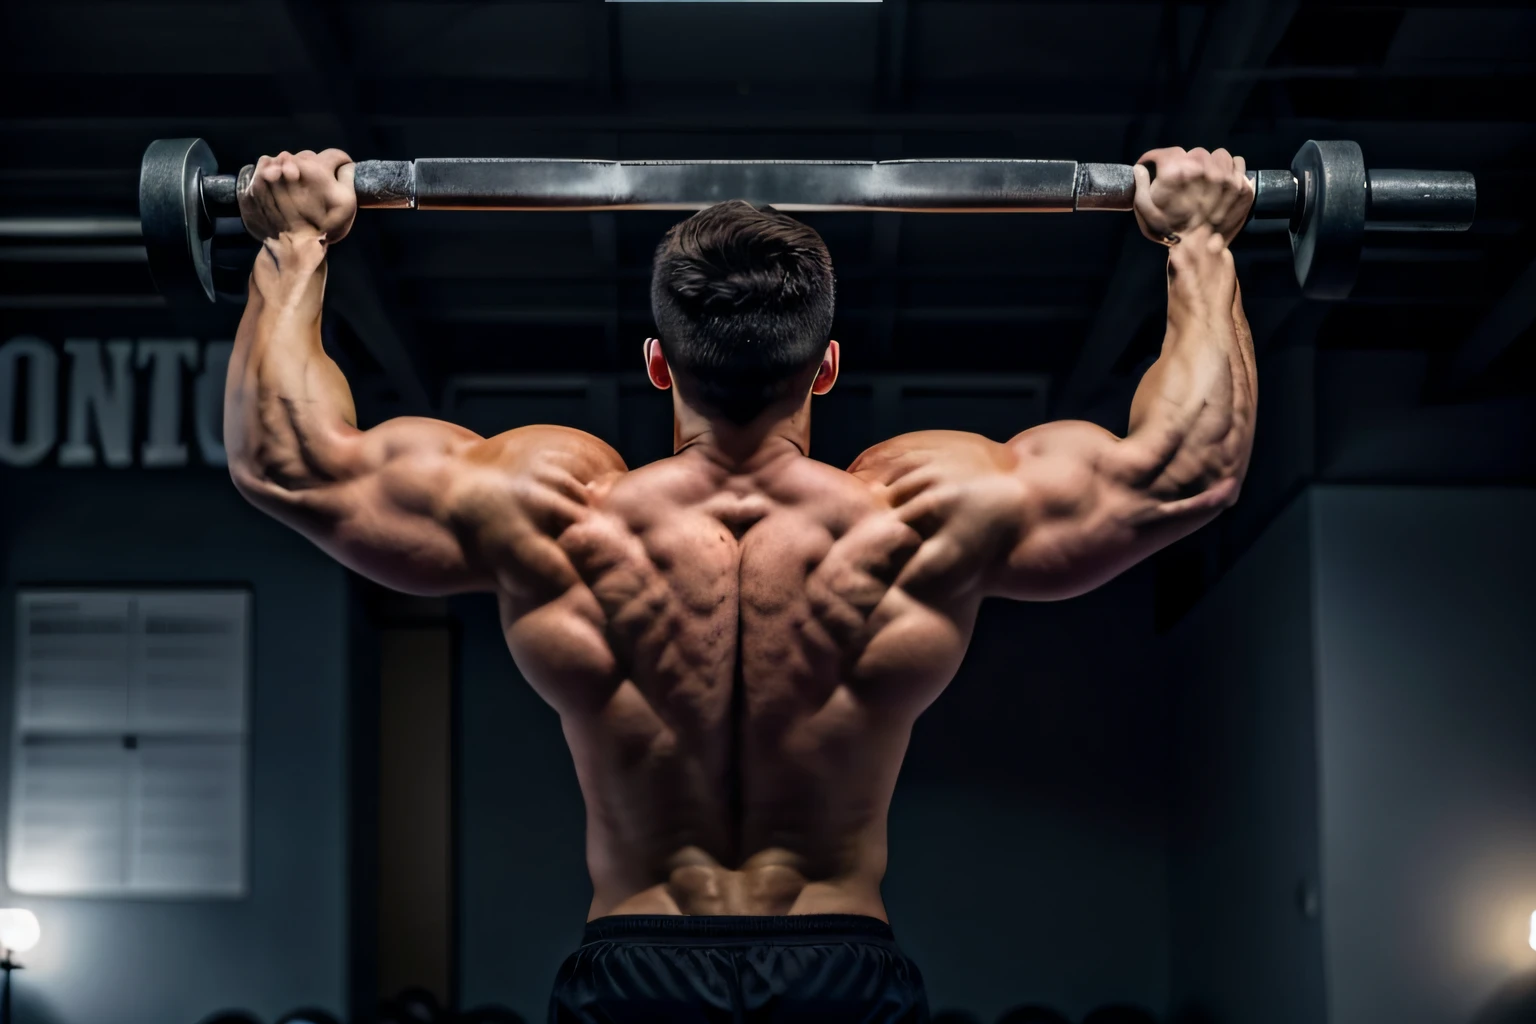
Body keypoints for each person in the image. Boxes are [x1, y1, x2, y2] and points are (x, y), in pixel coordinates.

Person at [228, 146, 1256, 1023]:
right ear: (826, 367)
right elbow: (1187, 465)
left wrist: (295, 243)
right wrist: (1199, 243)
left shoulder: (558, 511)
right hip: (839, 970)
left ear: (658, 364)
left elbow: (290, 459)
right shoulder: (916, 515)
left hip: (633, 971)